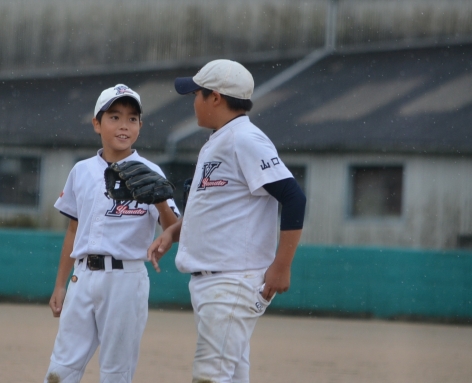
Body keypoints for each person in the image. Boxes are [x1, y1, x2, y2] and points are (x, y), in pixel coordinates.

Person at [147, 60, 306, 383]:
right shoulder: (220, 140)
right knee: (231, 377)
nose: (193, 101)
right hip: (215, 281)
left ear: (215, 97)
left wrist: (282, 264)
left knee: (210, 375)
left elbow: (293, 197)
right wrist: (175, 231)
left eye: (196, 93)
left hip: (232, 281)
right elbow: (217, 207)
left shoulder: (245, 139)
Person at [44, 84, 179, 383]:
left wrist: (159, 198)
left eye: (132, 119)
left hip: (125, 279)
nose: (124, 126)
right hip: (82, 276)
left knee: (116, 372)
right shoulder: (81, 171)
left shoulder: (150, 171)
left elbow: (175, 231)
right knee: (61, 367)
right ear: (96, 123)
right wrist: (60, 284)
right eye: (114, 117)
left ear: (141, 126)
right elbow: (73, 230)